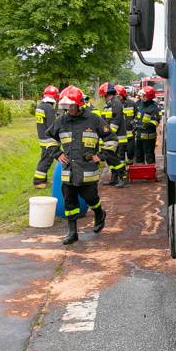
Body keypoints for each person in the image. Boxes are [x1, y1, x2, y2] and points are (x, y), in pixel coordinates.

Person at [44, 86, 116, 245]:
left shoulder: (94, 119)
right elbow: (48, 137)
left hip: (87, 169)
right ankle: (72, 232)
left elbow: (111, 139)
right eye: (65, 106)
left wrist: (101, 156)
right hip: (68, 170)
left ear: (79, 104)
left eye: (71, 106)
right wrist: (57, 153)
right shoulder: (61, 121)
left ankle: (99, 213)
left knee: (90, 197)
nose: (68, 109)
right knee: (70, 202)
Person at [98, 82, 129, 187]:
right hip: (110, 137)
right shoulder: (109, 104)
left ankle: (123, 178)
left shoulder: (116, 103)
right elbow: (104, 120)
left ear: (105, 93)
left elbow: (116, 120)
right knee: (110, 158)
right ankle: (114, 179)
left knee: (117, 159)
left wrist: (108, 134)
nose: (102, 97)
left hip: (117, 138)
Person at [33, 85, 60, 188]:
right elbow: (51, 126)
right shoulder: (49, 108)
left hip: (41, 136)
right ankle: (38, 182)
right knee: (47, 160)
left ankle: (42, 179)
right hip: (48, 139)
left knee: (44, 157)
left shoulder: (40, 106)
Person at [135, 85, 161, 164]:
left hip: (149, 137)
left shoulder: (155, 108)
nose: (141, 97)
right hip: (139, 135)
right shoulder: (140, 104)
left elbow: (157, 120)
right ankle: (141, 171)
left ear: (148, 96)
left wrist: (149, 124)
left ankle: (150, 172)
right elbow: (138, 116)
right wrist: (134, 122)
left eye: (143, 95)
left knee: (149, 156)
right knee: (139, 155)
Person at [115, 84, 137, 164]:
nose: (117, 98)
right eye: (116, 96)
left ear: (123, 95)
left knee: (131, 152)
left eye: (118, 96)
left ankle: (131, 167)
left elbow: (137, 116)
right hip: (119, 136)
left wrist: (135, 125)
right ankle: (122, 172)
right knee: (120, 155)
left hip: (130, 134)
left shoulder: (132, 104)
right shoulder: (113, 105)